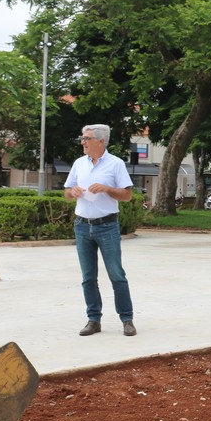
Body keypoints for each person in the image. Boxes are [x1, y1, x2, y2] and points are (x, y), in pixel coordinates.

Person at [63, 124, 137, 337]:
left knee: (117, 275)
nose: (83, 142)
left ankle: (127, 319)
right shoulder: (79, 164)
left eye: (87, 138)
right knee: (88, 277)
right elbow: (66, 193)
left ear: (101, 141)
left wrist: (107, 188)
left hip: (107, 226)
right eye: (82, 138)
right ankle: (93, 320)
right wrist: (72, 192)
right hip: (82, 226)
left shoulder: (116, 164)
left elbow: (127, 195)